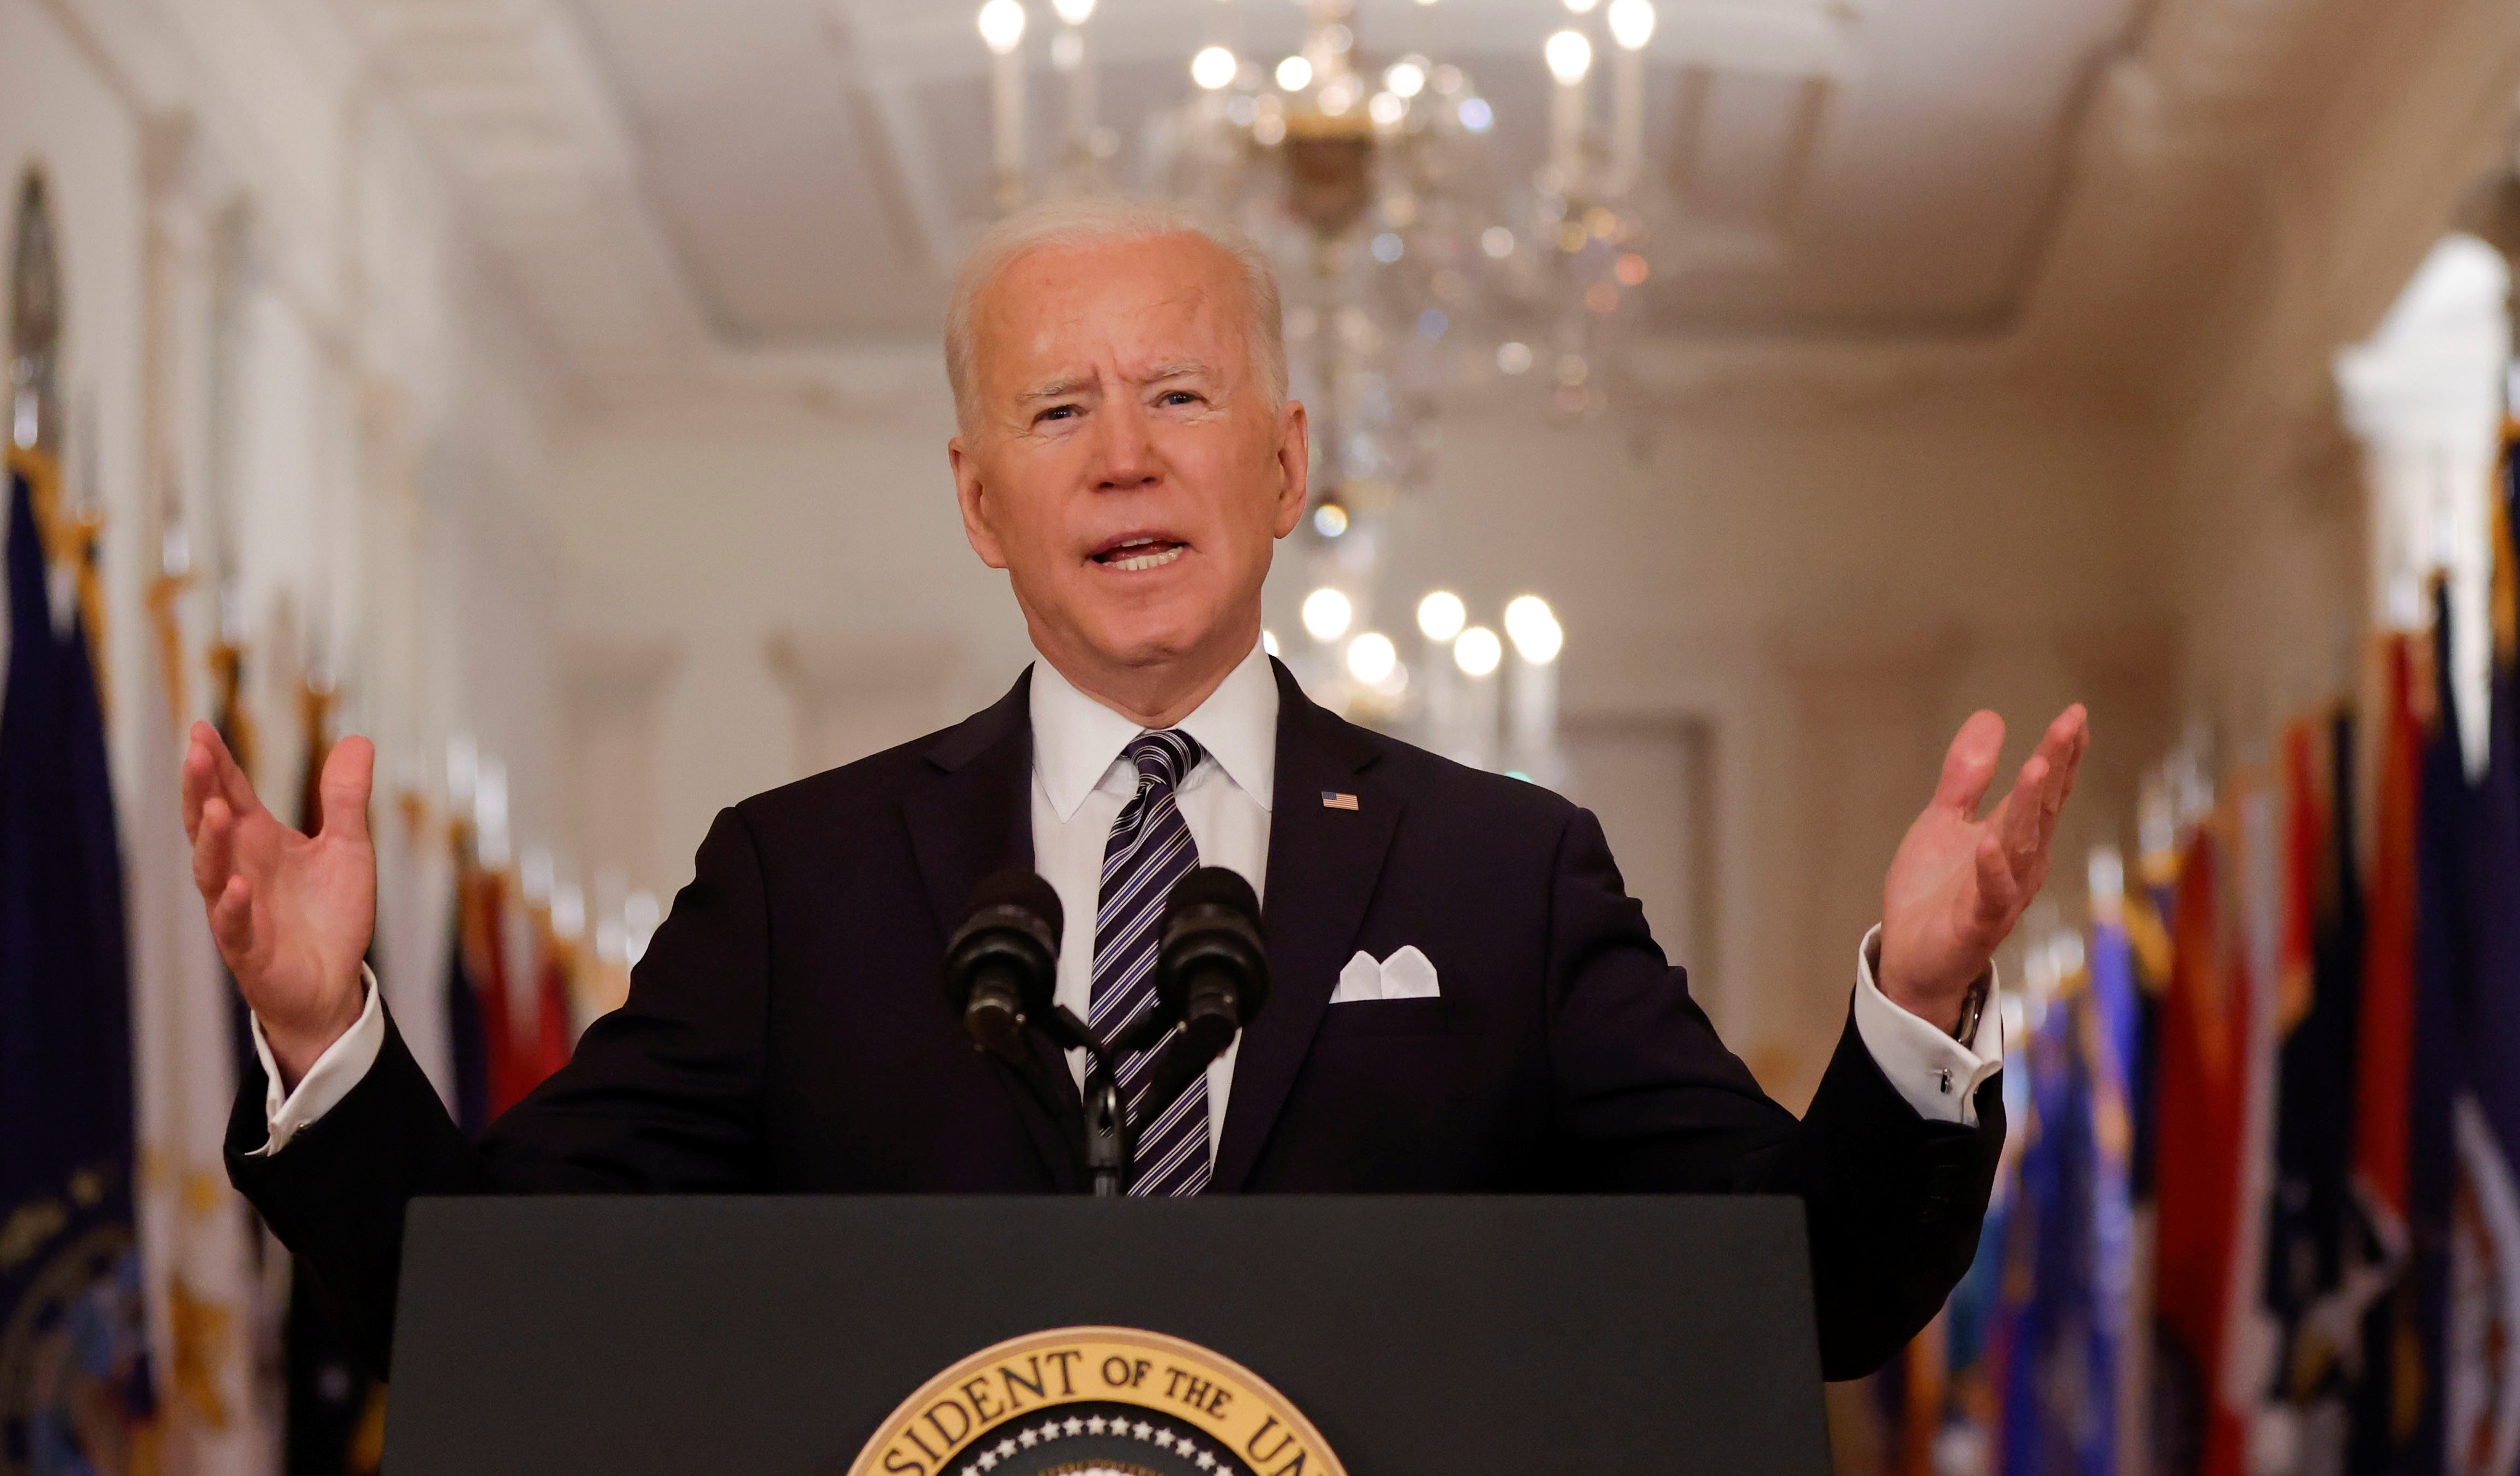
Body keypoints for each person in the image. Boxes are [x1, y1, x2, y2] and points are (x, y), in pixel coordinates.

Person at [193, 197, 2085, 1376]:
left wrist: (1915, 1010)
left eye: (1178, 400)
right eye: (1053, 412)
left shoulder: (1506, 872)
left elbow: (1807, 1295)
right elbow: (483, 1297)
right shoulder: (806, 882)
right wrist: (322, 1036)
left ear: (1282, 464)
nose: (1120, 460)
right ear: (976, 500)